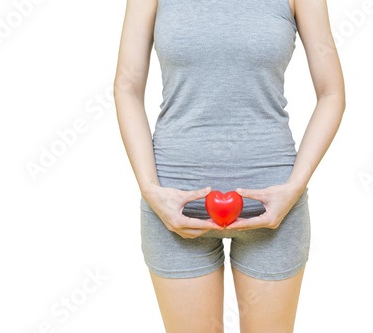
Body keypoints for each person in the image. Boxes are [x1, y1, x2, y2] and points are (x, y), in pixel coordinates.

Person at [113, 0, 345, 331]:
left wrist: (293, 188)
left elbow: (332, 93)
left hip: (274, 209)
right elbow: (126, 88)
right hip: (173, 208)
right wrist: (151, 191)